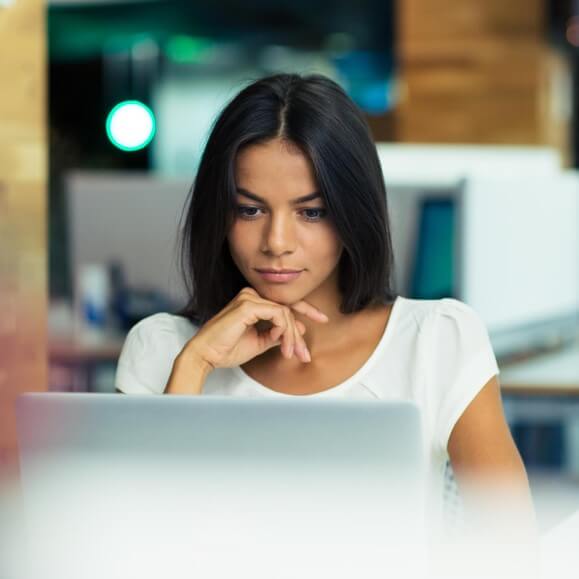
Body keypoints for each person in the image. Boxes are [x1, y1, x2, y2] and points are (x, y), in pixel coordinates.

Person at [114, 73, 539, 573]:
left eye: (310, 213)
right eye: (249, 210)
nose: (276, 241)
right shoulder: (162, 349)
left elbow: (515, 555)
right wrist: (197, 365)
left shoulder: (437, 340)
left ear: (352, 213)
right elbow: (130, 550)